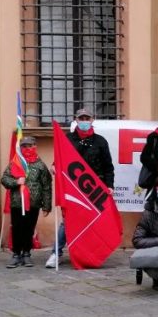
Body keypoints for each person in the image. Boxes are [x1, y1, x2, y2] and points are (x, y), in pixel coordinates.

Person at [48, 107, 115, 268]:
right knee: (67, 222)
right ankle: (56, 253)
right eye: (81, 118)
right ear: (76, 120)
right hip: (73, 188)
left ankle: (90, 254)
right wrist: (54, 166)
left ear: (92, 120)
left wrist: (110, 185)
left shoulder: (100, 141)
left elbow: (108, 167)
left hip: (94, 188)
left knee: (94, 222)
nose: (84, 121)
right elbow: (60, 158)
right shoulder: (68, 139)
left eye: (87, 118)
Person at [0, 136, 52, 268]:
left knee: (29, 229)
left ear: (35, 147)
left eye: (30, 146)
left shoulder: (40, 165)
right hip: (17, 202)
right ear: (21, 148)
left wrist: (46, 205)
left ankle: (27, 253)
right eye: (24, 146)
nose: (28, 148)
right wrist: (16, 182)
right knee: (17, 228)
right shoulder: (15, 163)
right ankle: (16, 254)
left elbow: (46, 186)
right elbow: (4, 179)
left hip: (33, 203)